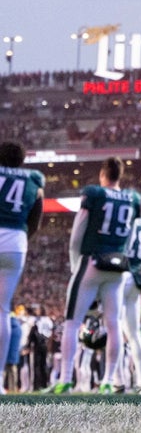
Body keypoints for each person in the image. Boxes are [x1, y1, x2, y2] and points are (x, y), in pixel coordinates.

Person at [53, 157, 141, 395]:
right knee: (114, 325)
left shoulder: (94, 193)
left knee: (72, 322)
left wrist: (75, 263)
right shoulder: (133, 198)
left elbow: (77, 232)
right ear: (120, 175)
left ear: (103, 174)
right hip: (118, 265)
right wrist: (123, 257)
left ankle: (65, 379)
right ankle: (108, 381)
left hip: (92, 260)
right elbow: (132, 234)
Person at [0, 140, 45, 386]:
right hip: (16, 242)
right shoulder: (33, 182)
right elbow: (35, 223)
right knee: (3, 311)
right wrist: (20, 239)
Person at [116, 214, 141, 393]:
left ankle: (117, 381)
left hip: (121, 274)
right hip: (137, 275)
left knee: (113, 330)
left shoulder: (126, 221)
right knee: (134, 335)